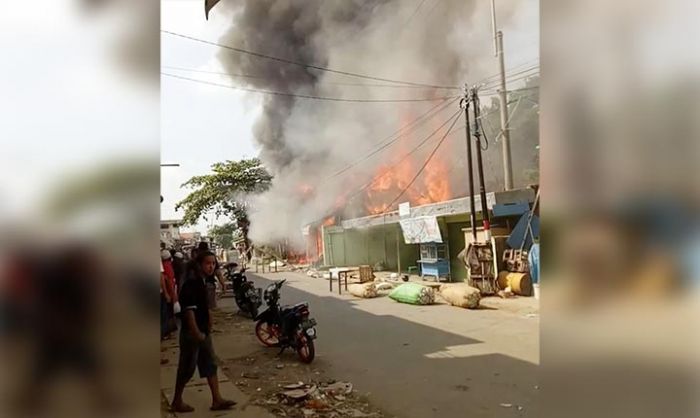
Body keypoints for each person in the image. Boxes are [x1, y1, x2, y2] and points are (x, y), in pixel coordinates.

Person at [171, 251, 236, 413]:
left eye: (213, 263)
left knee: (210, 364)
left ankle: (217, 399)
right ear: (199, 264)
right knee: (187, 368)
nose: (211, 266)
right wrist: (196, 332)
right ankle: (177, 401)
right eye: (208, 263)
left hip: (203, 331)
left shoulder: (202, 281)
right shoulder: (191, 283)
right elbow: (189, 311)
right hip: (192, 333)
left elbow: (203, 305)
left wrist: (209, 320)